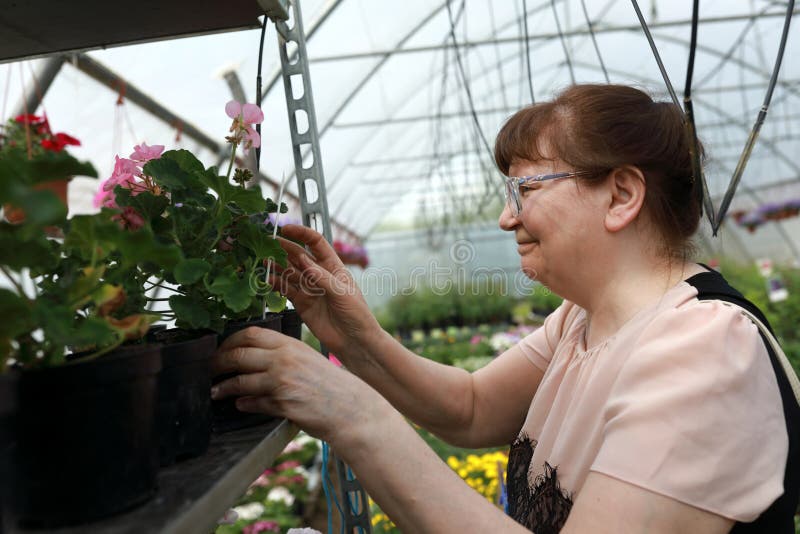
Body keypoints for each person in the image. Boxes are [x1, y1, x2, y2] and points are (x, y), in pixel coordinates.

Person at [211, 84, 797, 533]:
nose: (506, 217)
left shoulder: (705, 350)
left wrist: (353, 415)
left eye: (525, 190)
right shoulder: (581, 320)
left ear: (621, 196)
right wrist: (353, 335)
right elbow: (471, 408)